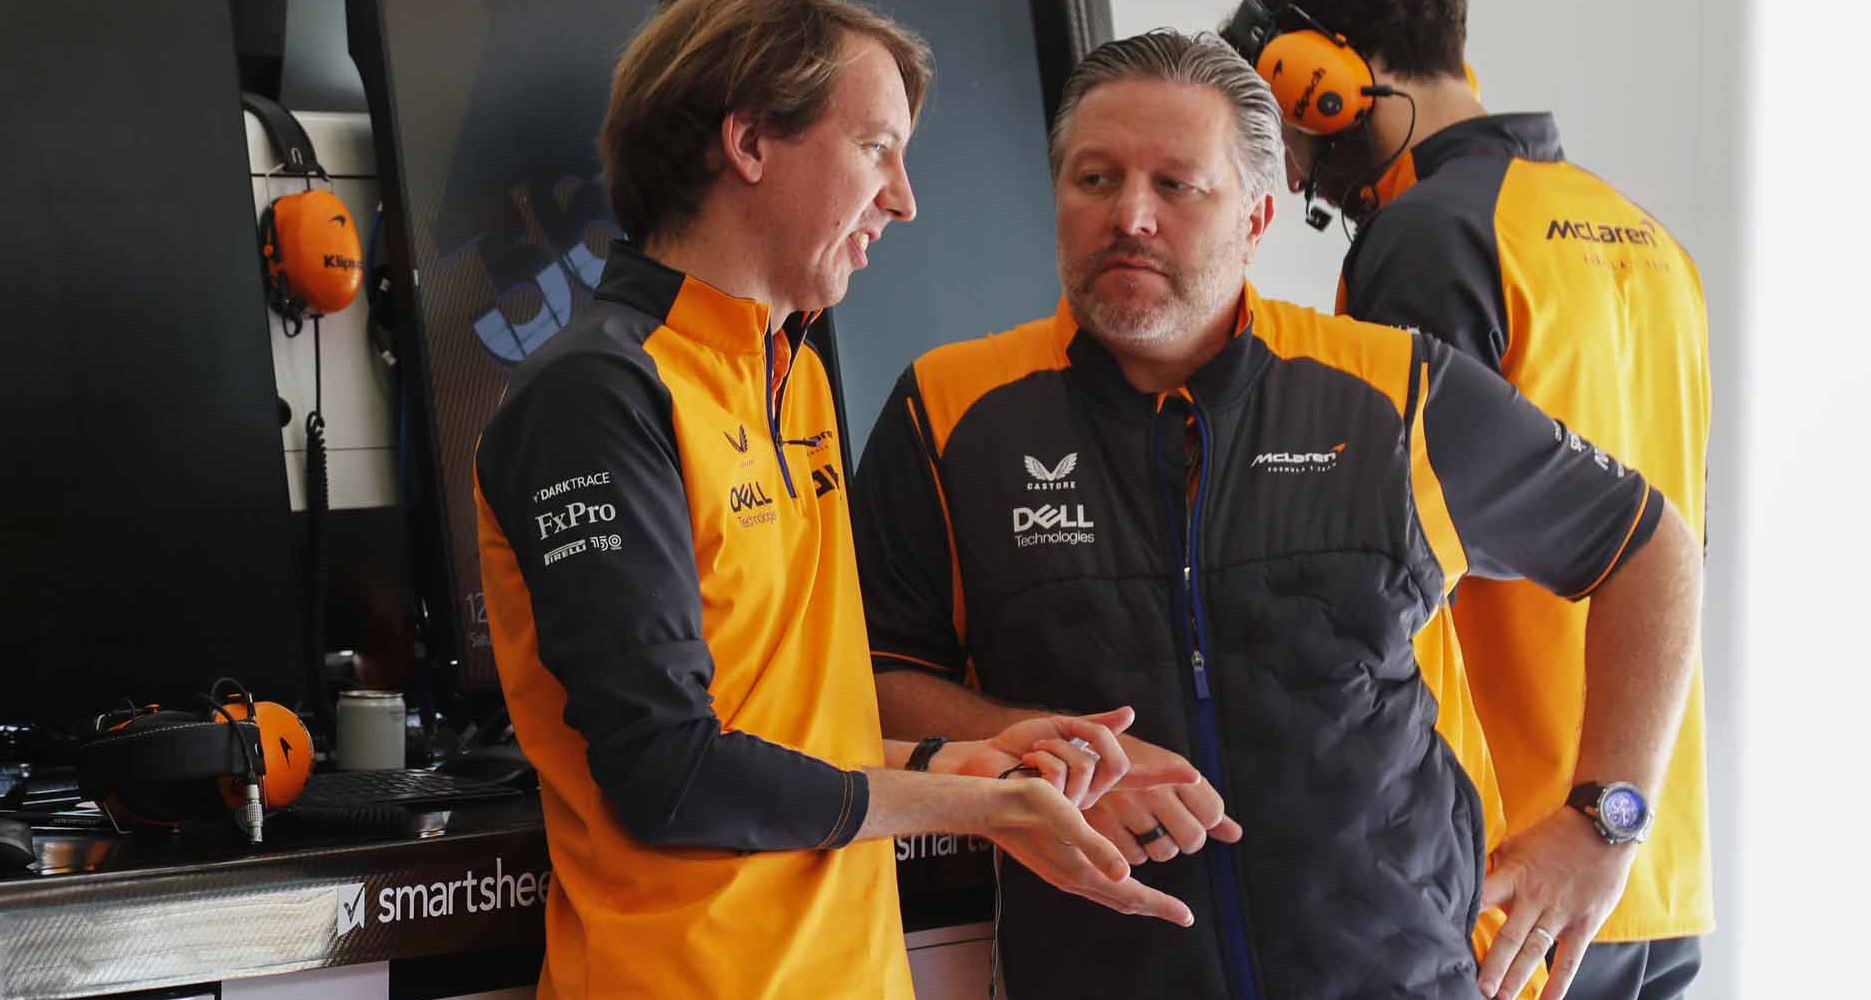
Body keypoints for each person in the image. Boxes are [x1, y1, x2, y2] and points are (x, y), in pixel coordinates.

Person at [853, 29, 1703, 1000]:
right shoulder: (951, 409)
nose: (1130, 216)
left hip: (1398, 973)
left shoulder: (1392, 389)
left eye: (1177, 185)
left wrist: (1605, 821)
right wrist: (1039, 744)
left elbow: (1651, 545)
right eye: (1095, 178)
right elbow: (874, 675)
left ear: (1257, 218)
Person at [472, 3, 1200, 998]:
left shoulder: (796, 372)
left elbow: (787, 734)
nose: (903, 199)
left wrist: (965, 759)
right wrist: (966, 807)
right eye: (875, 149)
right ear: (751, 142)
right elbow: (672, 777)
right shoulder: (598, 394)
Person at [1226, 2, 1714, 997]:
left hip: (1510, 871)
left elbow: (1383, 573)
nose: (1297, 172)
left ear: (1328, 73)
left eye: (1293, 130)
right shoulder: (1648, 239)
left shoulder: (1428, 240)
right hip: (1642, 858)